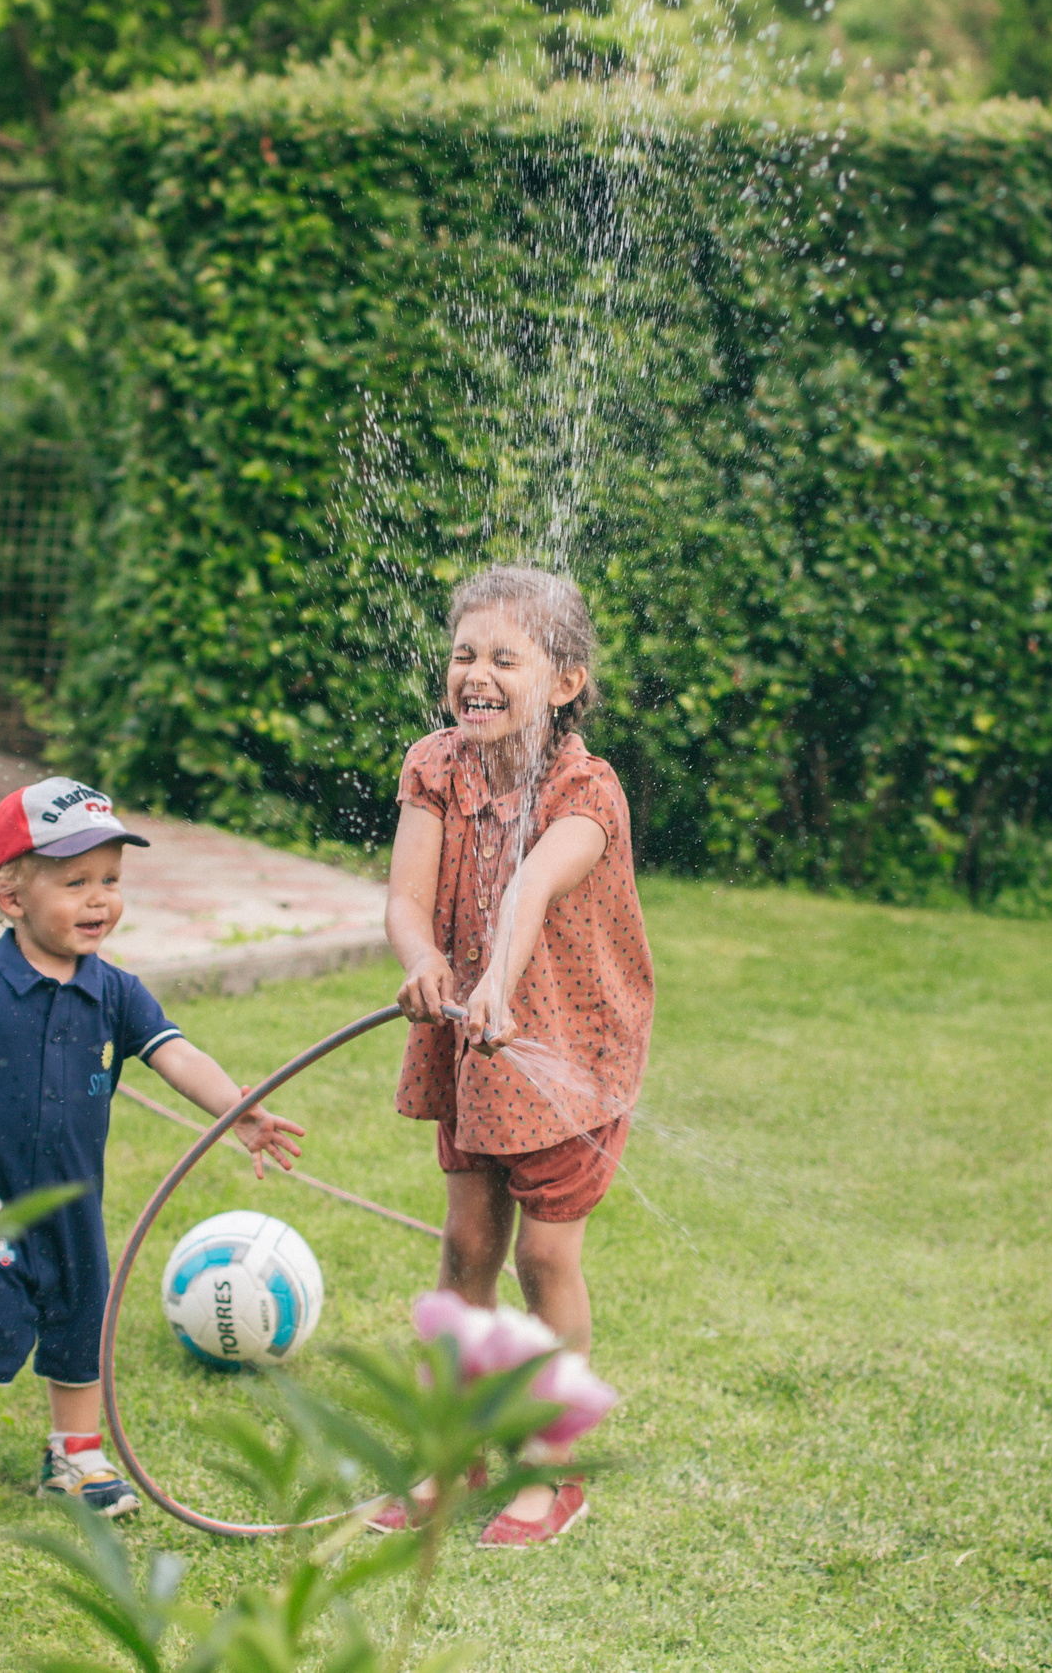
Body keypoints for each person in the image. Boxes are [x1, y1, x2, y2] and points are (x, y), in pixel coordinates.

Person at [0, 776, 305, 1519]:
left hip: (73, 1197)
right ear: (11, 894)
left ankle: (75, 1454)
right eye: (76, 880)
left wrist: (238, 1108)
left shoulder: (115, 991)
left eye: (111, 880)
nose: (99, 899)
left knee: (83, 1316)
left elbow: (176, 1053)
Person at [376, 565, 653, 1547]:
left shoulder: (586, 786)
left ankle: (551, 1466)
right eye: (464, 654)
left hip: (567, 1048)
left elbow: (534, 884)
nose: (478, 674)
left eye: (505, 657)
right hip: (470, 1039)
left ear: (565, 681)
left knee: (543, 1255)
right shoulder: (434, 766)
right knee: (465, 1248)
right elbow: (407, 898)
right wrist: (422, 962)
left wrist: (495, 973)